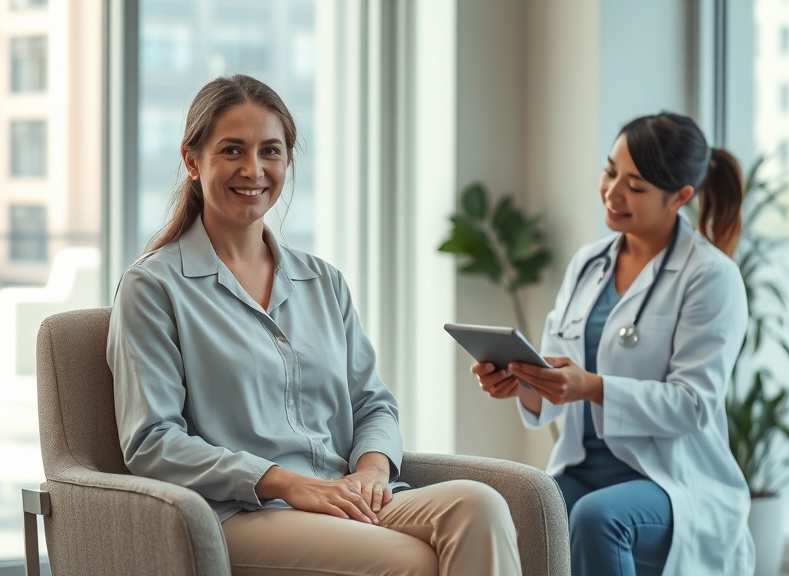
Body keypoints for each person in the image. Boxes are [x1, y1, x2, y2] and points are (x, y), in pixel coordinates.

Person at [108, 74, 521, 576]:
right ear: (193, 161)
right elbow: (152, 441)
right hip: (243, 513)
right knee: (411, 561)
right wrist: (283, 481)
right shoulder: (154, 287)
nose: (253, 169)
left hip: (343, 494)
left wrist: (370, 470)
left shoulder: (322, 281)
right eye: (233, 150)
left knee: (482, 506)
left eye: (271, 151)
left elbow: (374, 403)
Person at [472, 111, 755, 575]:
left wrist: (593, 387)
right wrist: (522, 382)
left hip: (671, 480)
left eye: (636, 186)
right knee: (515, 506)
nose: (612, 192)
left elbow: (694, 405)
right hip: (582, 469)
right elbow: (556, 376)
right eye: (610, 171)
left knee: (597, 517)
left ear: (680, 197)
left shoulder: (711, 277)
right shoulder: (588, 266)